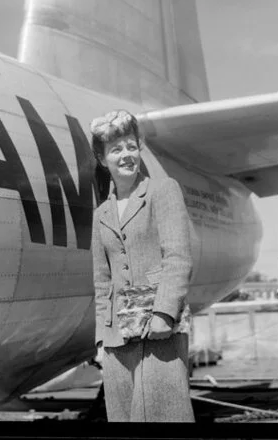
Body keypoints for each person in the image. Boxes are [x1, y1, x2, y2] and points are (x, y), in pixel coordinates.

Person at [89, 109, 195, 422]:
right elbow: (101, 281)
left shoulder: (163, 191)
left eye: (131, 146)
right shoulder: (100, 215)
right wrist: (100, 339)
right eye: (116, 149)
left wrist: (164, 312)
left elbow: (177, 256)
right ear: (102, 158)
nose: (126, 155)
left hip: (158, 330)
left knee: (164, 416)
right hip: (115, 340)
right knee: (123, 420)